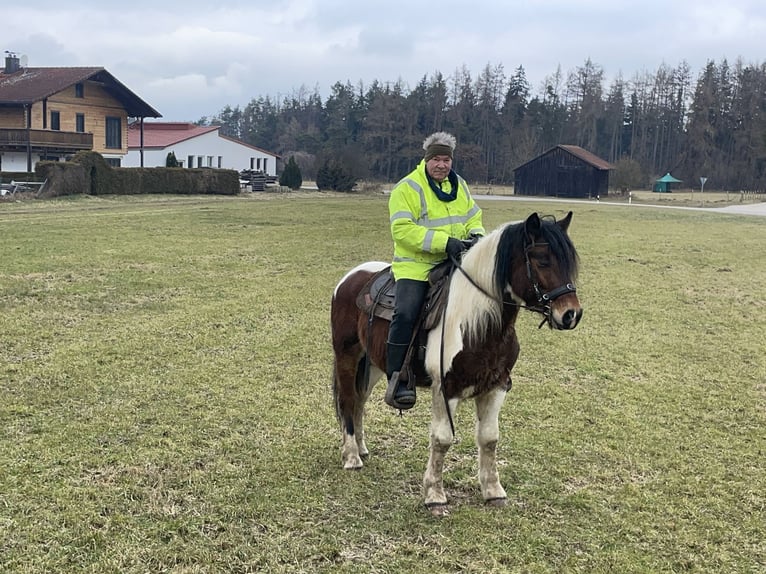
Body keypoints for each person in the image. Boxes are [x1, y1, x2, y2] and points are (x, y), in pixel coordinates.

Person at [385, 131, 485, 410]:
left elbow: (472, 216)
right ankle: (399, 377)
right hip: (416, 266)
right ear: (426, 160)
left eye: (447, 159)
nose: (442, 165)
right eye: (437, 159)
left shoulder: (459, 185)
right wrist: (445, 243)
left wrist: (476, 235)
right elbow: (402, 230)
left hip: (455, 261)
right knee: (406, 312)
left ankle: (488, 367)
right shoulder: (407, 188)